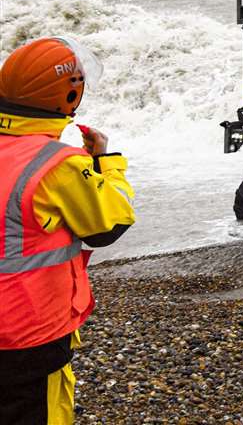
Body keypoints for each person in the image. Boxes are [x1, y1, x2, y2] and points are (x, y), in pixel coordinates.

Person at [0, 37, 135, 425]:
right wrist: (106, 163)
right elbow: (109, 225)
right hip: (27, 332)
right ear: (68, 94)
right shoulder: (59, 164)